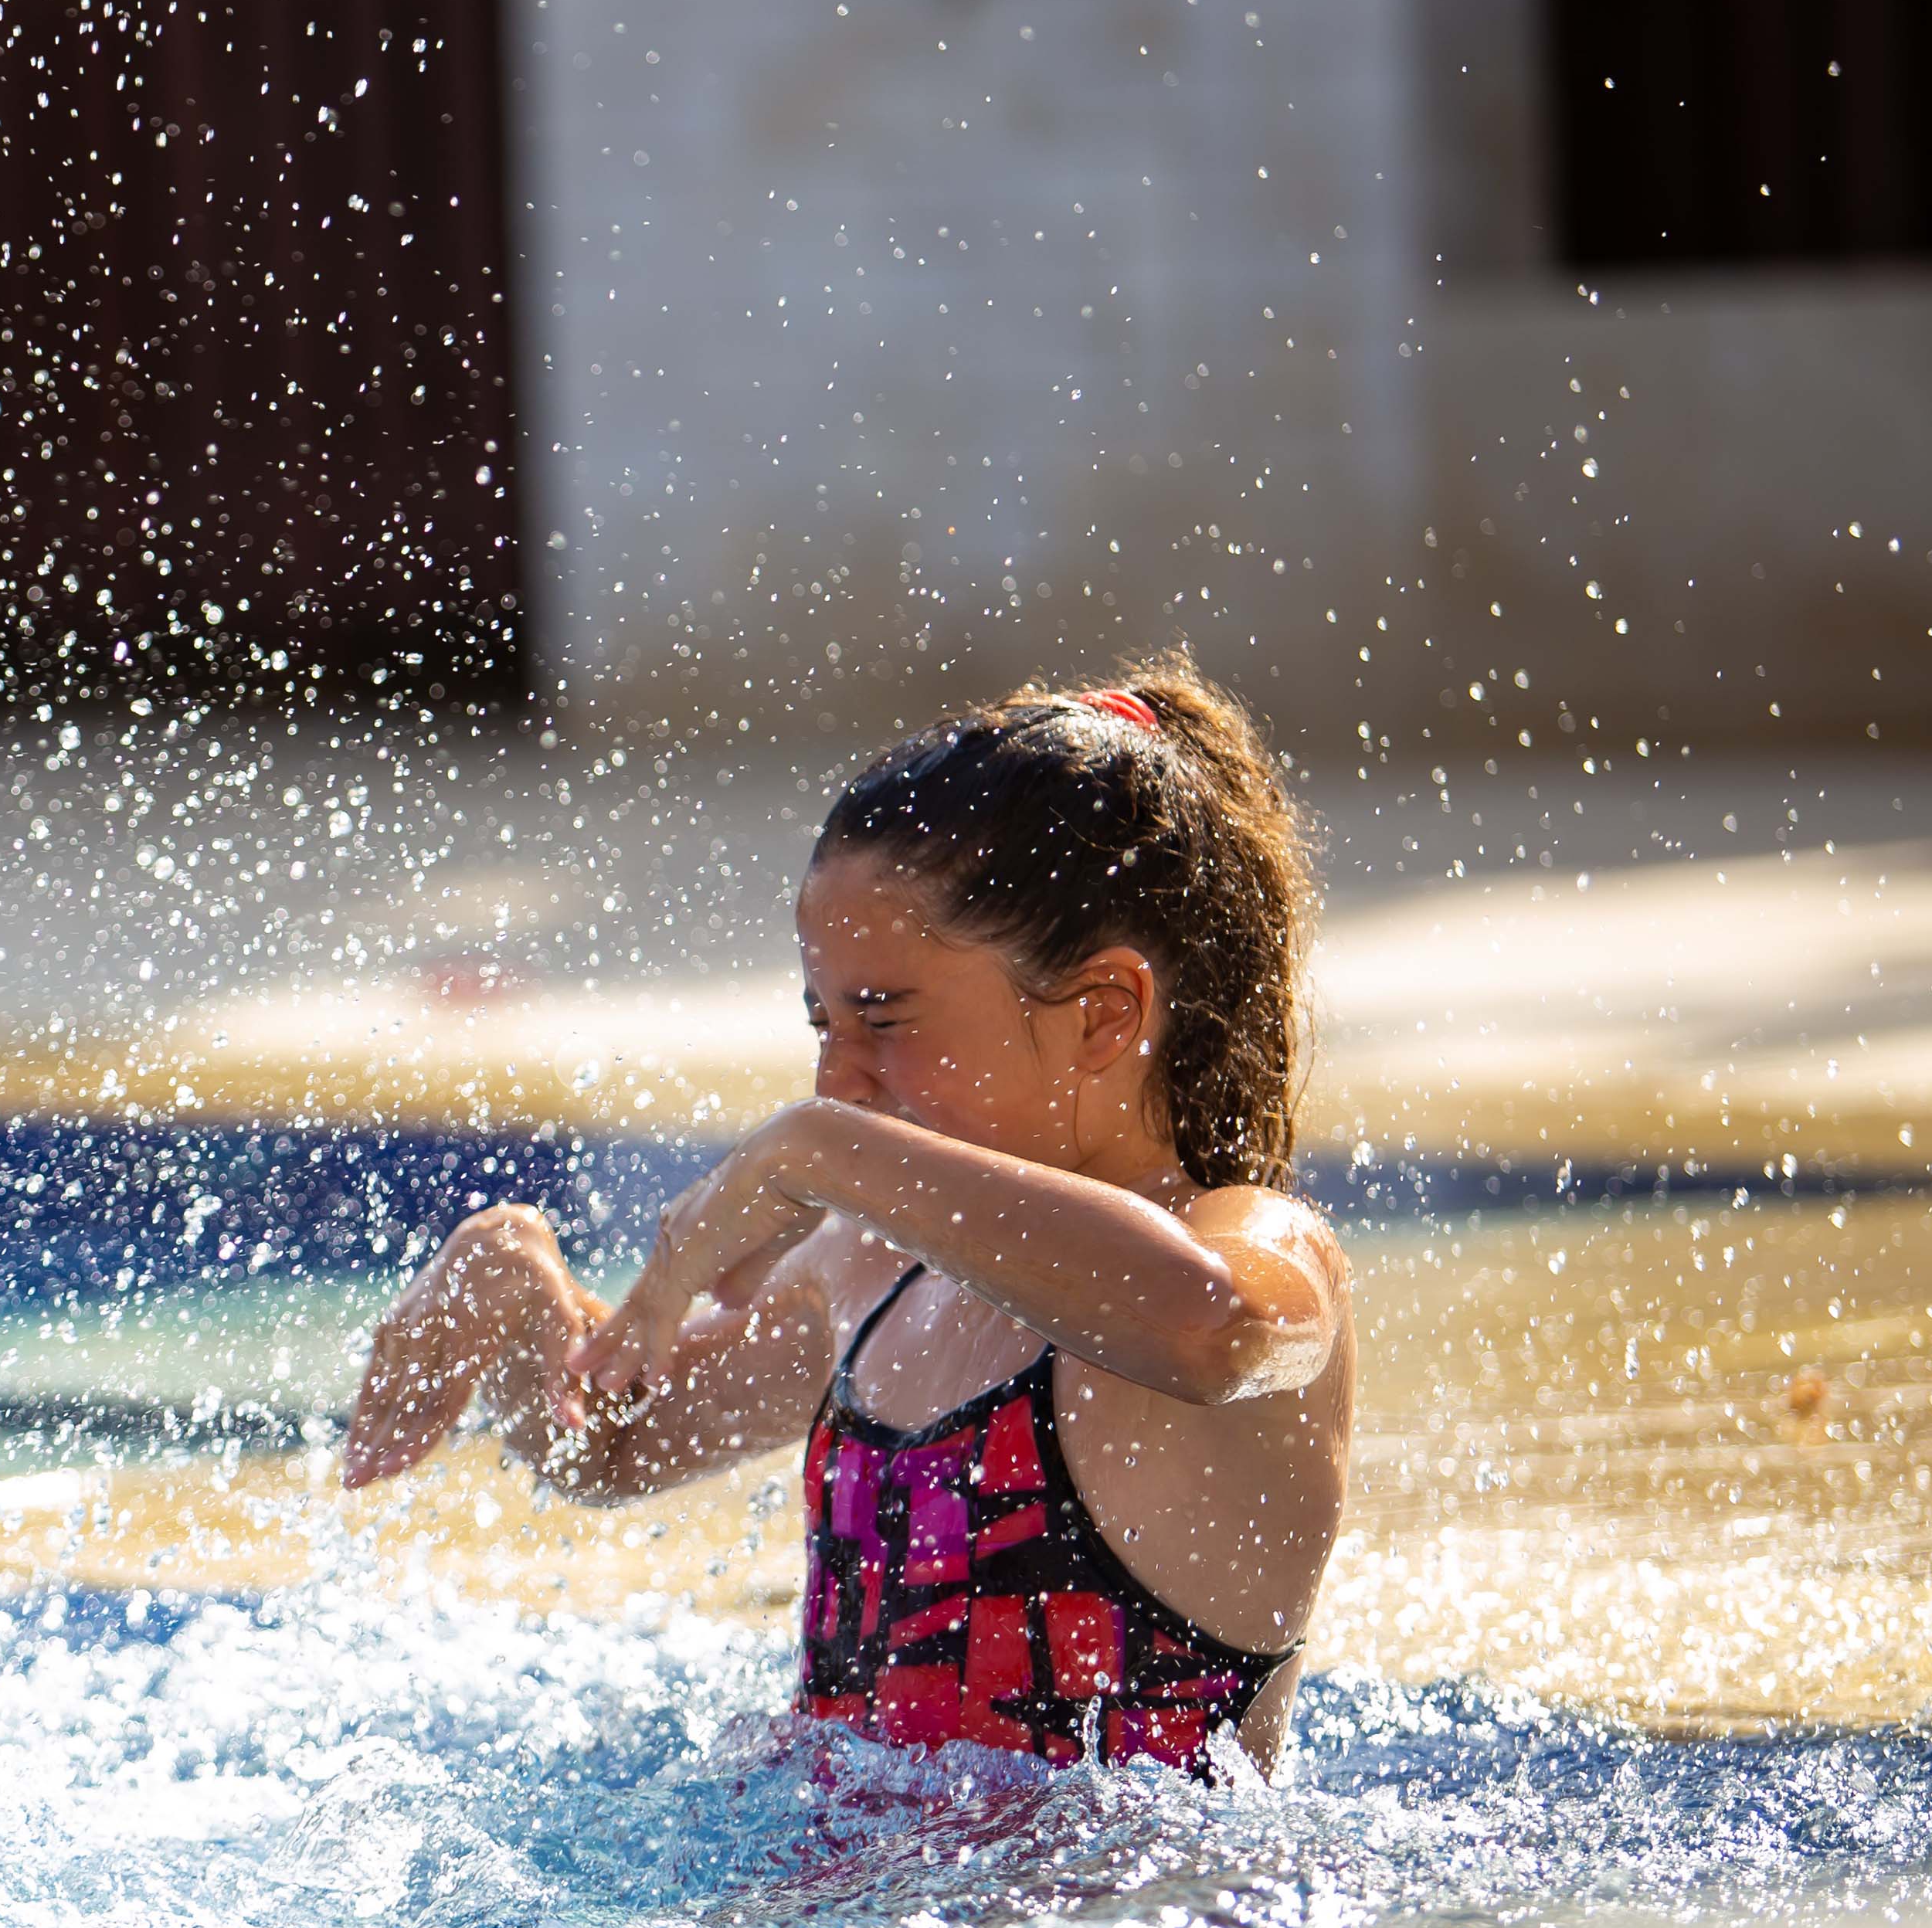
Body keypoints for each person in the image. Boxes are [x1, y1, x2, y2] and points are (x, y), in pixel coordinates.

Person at [344, 658, 1349, 1779]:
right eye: (822, 1021)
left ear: (1101, 1015)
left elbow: (1211, 1333)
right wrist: (513, 1278)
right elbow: (612, 1451)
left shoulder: (1261, 1250)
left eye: (883, 1017)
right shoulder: (874, 1274)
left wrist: (817, 1152)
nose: (837, 1081)